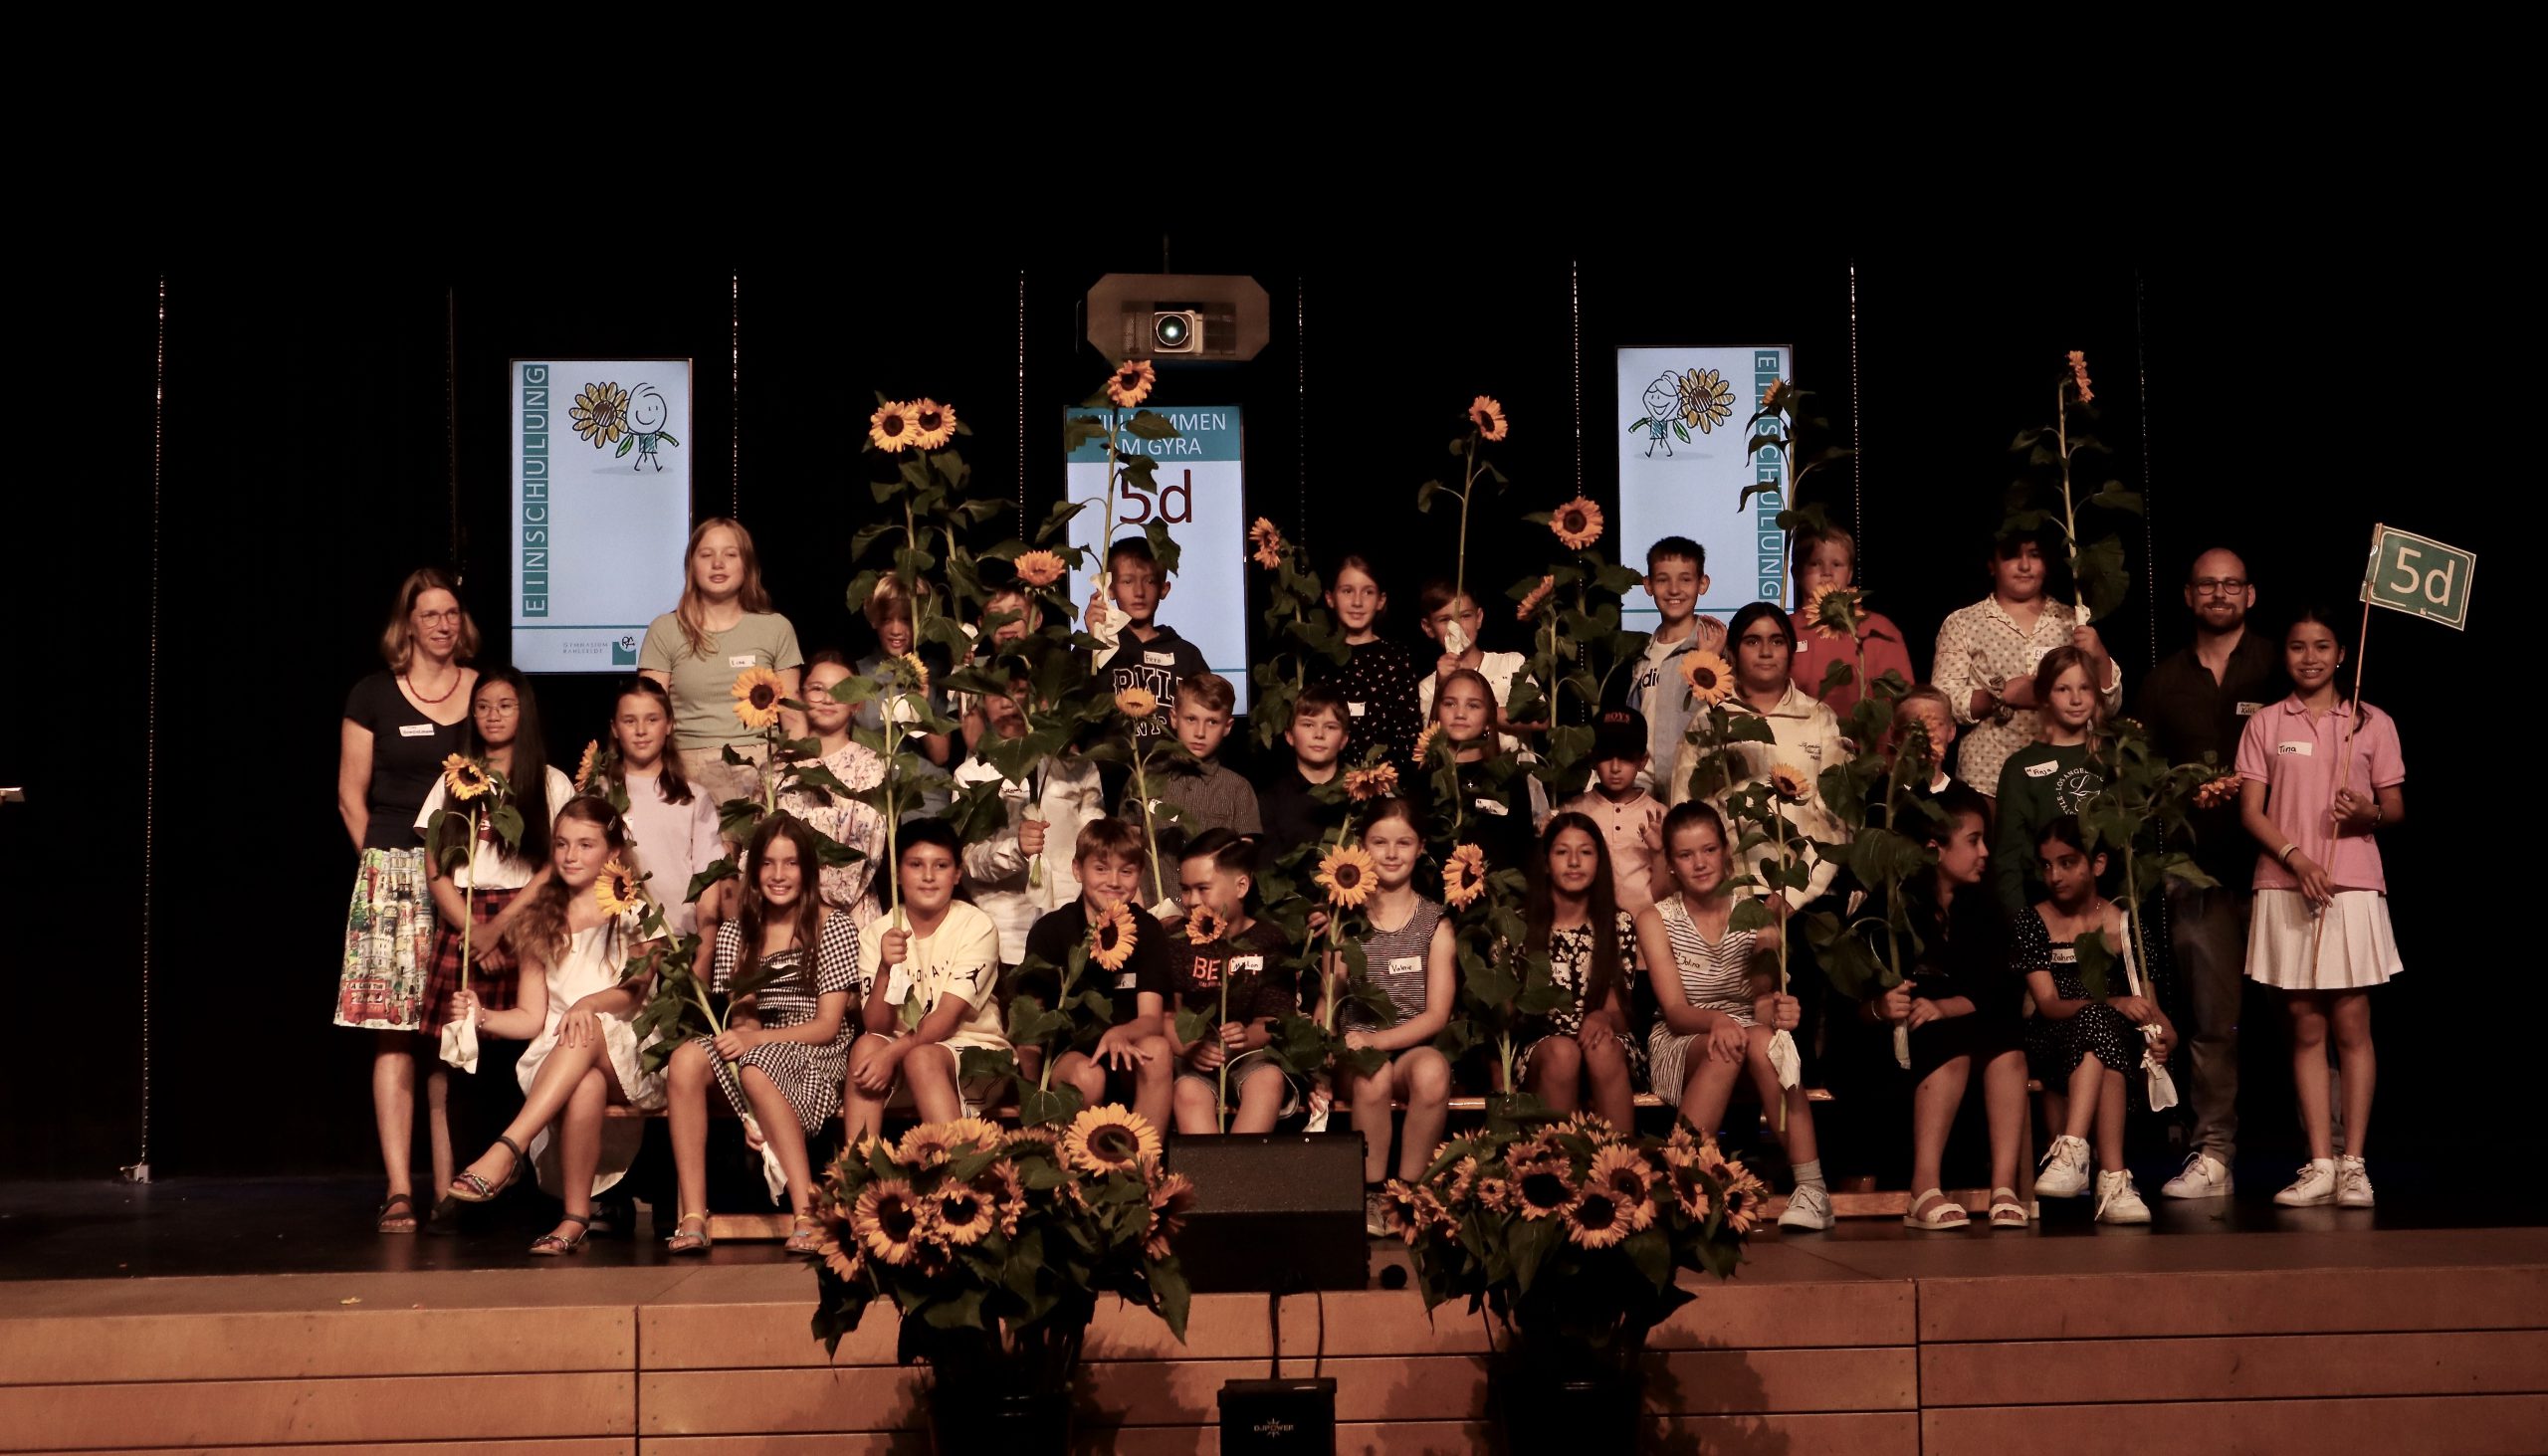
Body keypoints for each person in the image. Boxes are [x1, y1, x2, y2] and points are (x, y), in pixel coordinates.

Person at [444, 797, 665, 1254]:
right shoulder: (540, 920)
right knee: (583, 1079)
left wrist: (588, 1003)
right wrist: (481, 1016)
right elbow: (531, 1018)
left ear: (613, 852)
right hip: (561, 1055)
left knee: (587, 1027)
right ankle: (574, 1218)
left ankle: (509, 1147)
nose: (570, 855)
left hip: (629, 1049)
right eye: (562, 844)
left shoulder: (635, 909)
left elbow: (636, 989)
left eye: (586, 845)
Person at [2238, 605, 2406, 1210]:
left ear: (2341, 654)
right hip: (2285, 883)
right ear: (2284, 654)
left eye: (2322, 646)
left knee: (2352, 1023)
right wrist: (2296, 858)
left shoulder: (2372, 721)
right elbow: (2251, 810)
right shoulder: (2265, 722)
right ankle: (2320, 1163)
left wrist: (2368, 814)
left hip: (2351, 884)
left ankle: (2354, 1163)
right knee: (2305, 1025)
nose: (2309, 657)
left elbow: (2394, 809)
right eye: (2297, 646)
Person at [2140, 548, 2287, 1201]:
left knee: (2304, 1018)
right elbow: (2142, 778)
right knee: (2211, 1024)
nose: (2220, 593)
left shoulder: (2280, 664)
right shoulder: (2163, 680)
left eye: (2231, 584)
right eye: (2208, 584)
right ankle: (2213, 1152)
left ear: (2250, 594)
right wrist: (2181, 793)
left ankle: (2333, 1149)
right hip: (2197, 873)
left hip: (2281, 870)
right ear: (2188, 595)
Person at [335, 568, 480, 1234]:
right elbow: (350, 795)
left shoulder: (483, 690)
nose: (443, 625)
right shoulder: (372, 694)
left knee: (455, 1028)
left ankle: (454, 1183)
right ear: (409, 624)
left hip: (469, 875)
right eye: (430, 615)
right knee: (393, 1032)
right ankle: (398, 1186)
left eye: (451, 613)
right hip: (393, 875)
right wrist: (384, 870)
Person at [663, 813, 862, 1256]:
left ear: (807, 870)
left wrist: (754, 1046)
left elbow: (828, 1026)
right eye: (768, 864)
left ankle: (806, 1211)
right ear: (753, 872)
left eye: (790, 863)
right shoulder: (737, 932)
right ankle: (693, 1214)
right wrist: (748, 1084)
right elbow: (743, 1019)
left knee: (756, 1067)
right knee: (686, 1059)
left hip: (815, 1047)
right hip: (756, 1043)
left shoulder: (833, 925)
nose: (778, 875)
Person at [1637, 803, 1829, 1231]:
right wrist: (1717, 1022)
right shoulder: (1656, 918)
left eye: (1708, 850)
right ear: (1671, 863)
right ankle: (1682, 1185)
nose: (1700, 863)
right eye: (1686, 855)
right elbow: (1675, 1012)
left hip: (1748, 1031)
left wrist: (1780, 1009)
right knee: (1725, 1046)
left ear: (1725, 851)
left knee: (1765, 1041)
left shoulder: (1756, 913)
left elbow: (1760, 1000)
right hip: (1683, 1038)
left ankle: (1812, 1189)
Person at [1874, 785, 2029, 1230]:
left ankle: (2003, 1187)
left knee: (2007, 1047)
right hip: (1901, 1040)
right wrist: (1883, 1006)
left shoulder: (1984, 909)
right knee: (1950, 1042)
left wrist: (1947, 1006)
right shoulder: (1893, 907)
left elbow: (2000, 989)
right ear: (1934, 849)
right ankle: (1923, 1188)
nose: (1984, 853)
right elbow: (1859, 998)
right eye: (1973, 841)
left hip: (1968, 1024)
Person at [2020, 817, 2176, 1225]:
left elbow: (2155, 1012)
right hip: (2052, 1039)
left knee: (2104, 1037)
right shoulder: (2032, 921)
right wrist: (2115, 1003)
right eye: (2047, 865)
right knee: (2100, 1023)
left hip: (2115, 1047)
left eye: (2067, 863)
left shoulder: (2124, 923)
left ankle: (2075, 1154)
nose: (2054, 876)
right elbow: (2048, 1004)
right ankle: (2112, 1176)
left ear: (2098, 864)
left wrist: (2165, 1039)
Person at [1328, 798, 1457, 1236]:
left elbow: (1437, 1015)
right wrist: (1321, 1059)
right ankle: (1370, 1192)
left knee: (1434, 1071)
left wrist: (1378, 1042)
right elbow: (1329, 1000)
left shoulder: (1435, 922)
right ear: (1362, 846)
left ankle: (1409, 1192)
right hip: (1355, 1055)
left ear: (1421, 847)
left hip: (1408, 1048)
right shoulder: (1345, 919)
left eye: (1403, 842)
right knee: (1373, 1073)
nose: (1391, 853)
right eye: (1379, 842)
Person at [843, 820, 1008, 1137]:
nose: (929, 876)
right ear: (897, 874)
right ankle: (859, 1163)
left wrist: (891, 1054)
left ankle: (959, 1166)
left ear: (957, 874)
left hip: (974, 1054)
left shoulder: (977, 926)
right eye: (916, 865)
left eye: (941, 865)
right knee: (865, 1047)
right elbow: (876, 1025)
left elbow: (945, 1019)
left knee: (921, 1058)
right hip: (903, 1056)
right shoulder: (876, 932)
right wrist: (884, 969)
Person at [1932, 532, 2120, 802]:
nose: (2024, 566)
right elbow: (1942, 702)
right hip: (1989, 778)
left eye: (2034, 555)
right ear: (1992, 565)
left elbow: (2109, 707)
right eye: (2012, 556)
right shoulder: (1963, 623)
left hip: (2065, 776)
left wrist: (2099, 654)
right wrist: (2000, 696)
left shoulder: (2072, 620)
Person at [638, 518, 806, 813]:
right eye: (706, 555)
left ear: (747, 564)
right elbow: (648, 713)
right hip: (686, 772)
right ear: (691, 566)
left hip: (761, 771)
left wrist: (795, 778)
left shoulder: (775, 628)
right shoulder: (665, 630)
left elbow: (792, 715)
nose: (718, 563)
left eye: (730, 554)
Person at [1017, 818, 1175, 1131]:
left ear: (1140, 874)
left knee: (1158, 1050)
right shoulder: (1051, 931)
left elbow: (1152, 1019)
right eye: (1101, 869)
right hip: (1069, 1058)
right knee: (1088, 1077)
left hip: (1127, 1052)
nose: (1113, 881)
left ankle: (1144, 1157)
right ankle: (1078, 1159)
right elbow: (1029, 1025)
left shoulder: (1147, 930)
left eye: (1126, 871)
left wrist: (1120, 1033)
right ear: (1077, 870)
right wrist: (1033, 1098)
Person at [954, 669, 1106, 967]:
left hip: (1075, 932)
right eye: (997, 694)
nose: (1008, 702)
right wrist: (1016, 849)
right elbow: (970, 860)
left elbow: (1097, 847)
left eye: (1019, 691)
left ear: (1038, 698)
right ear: (983, 702)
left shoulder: (1078, 767)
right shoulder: (971, 775)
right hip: (1006, 936)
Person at [1164, 830, 1299, 1136]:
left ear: (1241, 886)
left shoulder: (1268, 940)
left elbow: (1273, 1020)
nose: (1191, 901)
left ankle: (1239, 1165)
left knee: (1268, 1081)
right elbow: (1166, 1016)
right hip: (1193, 1057)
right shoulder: (1176, 939)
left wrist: (1246, 1036)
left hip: (1249, 1056)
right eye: (1185, 889)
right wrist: (1189, 1047)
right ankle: (1214, 1168)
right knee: (1188, 1092)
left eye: (1203, 888)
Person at [1516, 812, 1643, 1132]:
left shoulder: (1618, 923)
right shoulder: (1517, 925)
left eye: (1585, 852)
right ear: (1546, 863)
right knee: (1563, 1053)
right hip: (1541, 1047)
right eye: (1562, 852)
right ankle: (1558, 1160)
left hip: (1604, 1039)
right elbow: (1507, 1017)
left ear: (1599, 862)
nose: (1574, 862)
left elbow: (1619, 1010)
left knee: (1602, 1048)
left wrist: (1603, 1018)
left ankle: (1619, 1158)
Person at [590, 678, 721, 938]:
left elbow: (708, 880)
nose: (641, 730)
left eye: (652, 719)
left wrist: (706, 947)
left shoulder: (693, 797)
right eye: (629, 721)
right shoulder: (599, 796)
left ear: (669, 724)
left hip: (679, 941)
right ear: (615, 728)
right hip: (616, 940)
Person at [1125, 672, 1260, 908]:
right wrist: (1142, 912)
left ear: (1227, 726)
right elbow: (1126, 854)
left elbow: (1242, 868)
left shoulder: (1238, 789)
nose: (1200, 732)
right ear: (1174, 718)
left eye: (1212, 722)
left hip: (1213, 918)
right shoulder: (1143, 778)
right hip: (1151, 913)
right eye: (1191, 719)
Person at [1990, 646, 2108, 915]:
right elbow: (2008, 860)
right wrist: (2024, 927)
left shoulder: (2112, 759)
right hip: (2045, 908)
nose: (2076, 699)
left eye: (2085, 688)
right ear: (2044, 696)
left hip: (2105, 907)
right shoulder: (2020, 767)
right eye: (2063, 689)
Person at [779, 651, 889, 932]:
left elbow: (862, 855)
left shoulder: (869, 767)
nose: (828, 699)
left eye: (841, 691)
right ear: (802, 696)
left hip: (846, 922)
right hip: (780, 919)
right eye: (817, 689)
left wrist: (808, 907)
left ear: (857, 703)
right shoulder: (779, 767)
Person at [1616, 536, 1729, 795]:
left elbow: (1726, 717)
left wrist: (1709, 661)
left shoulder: (1717, 645)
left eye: (1685, 579)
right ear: (1648, 585)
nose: (1674, 589)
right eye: (1663, 580)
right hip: (1643, 784)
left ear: (1702, 584)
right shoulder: (1641, 652)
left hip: (1694, 784)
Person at [1087, 535, 1210, 745]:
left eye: (1150, 581)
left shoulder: (1187, 656)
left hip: (1170, 765)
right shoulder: (1092, 647)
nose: (1139, 592)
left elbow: (1210, 717)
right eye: (1127, 581)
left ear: (1164, 588)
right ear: (1110, 589)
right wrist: (1093, 642)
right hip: (1109, 765)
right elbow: (1074, 717)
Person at [1789, 524, 1918, 715]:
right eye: (1815, 563)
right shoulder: (1783, 630)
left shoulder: (1880, 629)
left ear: (1849, 573)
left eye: (1836, 564)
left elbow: (1903, 701)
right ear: (1797, 573)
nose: (1827, 572)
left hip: (1866, 733)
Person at [853, 576, 955, 816]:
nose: (897, 630)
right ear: (874, 621)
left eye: (906, 619)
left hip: (923, 798)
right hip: (873, 798)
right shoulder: (858, 674)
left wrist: (920, 706)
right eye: (887, 619)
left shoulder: (935, 673)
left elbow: (941, 755)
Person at [1557, 710, 1665, 915]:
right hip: (1587, 926)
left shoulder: (1660, 817)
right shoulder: (1572, 812)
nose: (1615, 767)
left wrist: (1659, 853)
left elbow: (1666, 896)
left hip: (1644, 926)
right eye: (1606, 756)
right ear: (1593, 758)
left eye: (1626, 757)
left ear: (1642, 761)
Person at [1321, 554, 1424, 770]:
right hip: (1326, 780)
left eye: (1368, 592)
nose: (1357, 602)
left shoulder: (1396, 658)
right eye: (1347, 591)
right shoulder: (1318, 657)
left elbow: (1409, 732)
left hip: (1385, 780)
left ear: (1381, 600)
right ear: (1330, 598)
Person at [1434, 667, 1535, 872]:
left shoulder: (1508, 780)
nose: (1460, 714)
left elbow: (1524, 854)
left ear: (1489, 719)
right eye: (1450, 703)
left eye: (1473, 705)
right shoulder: (1423, 779)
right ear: (1437, 712)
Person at [1415, 579, 1534, 734]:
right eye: (1445, 620)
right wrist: (1441, 687)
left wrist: (1481, 713)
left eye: (1465, 616)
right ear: (1428, 627)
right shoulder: (1427, 688)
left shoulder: (1511, 664)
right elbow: (1431, 743)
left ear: (1478, 618)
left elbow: (1540, 719)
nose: (1457, 627)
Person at [1257, 683, 1351, 850]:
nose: (1319, 734)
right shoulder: (1270, 801)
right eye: (1308, 725)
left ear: (1343, 740)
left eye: (1330, 727)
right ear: (1290, 736)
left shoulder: (1360, 795)